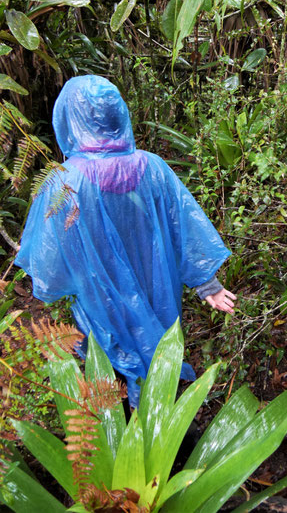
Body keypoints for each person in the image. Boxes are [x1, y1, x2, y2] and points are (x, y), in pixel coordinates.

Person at [15, 75, 236, 406]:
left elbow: (50, 260)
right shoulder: (153, 167)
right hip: (156, 292)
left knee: (111, 373)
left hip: (99, 300)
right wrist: (207, 284)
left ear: (69, 119)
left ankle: (125, 442)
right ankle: (167, 434)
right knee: (158, 359)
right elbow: (184, 229)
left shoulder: (64, 181)